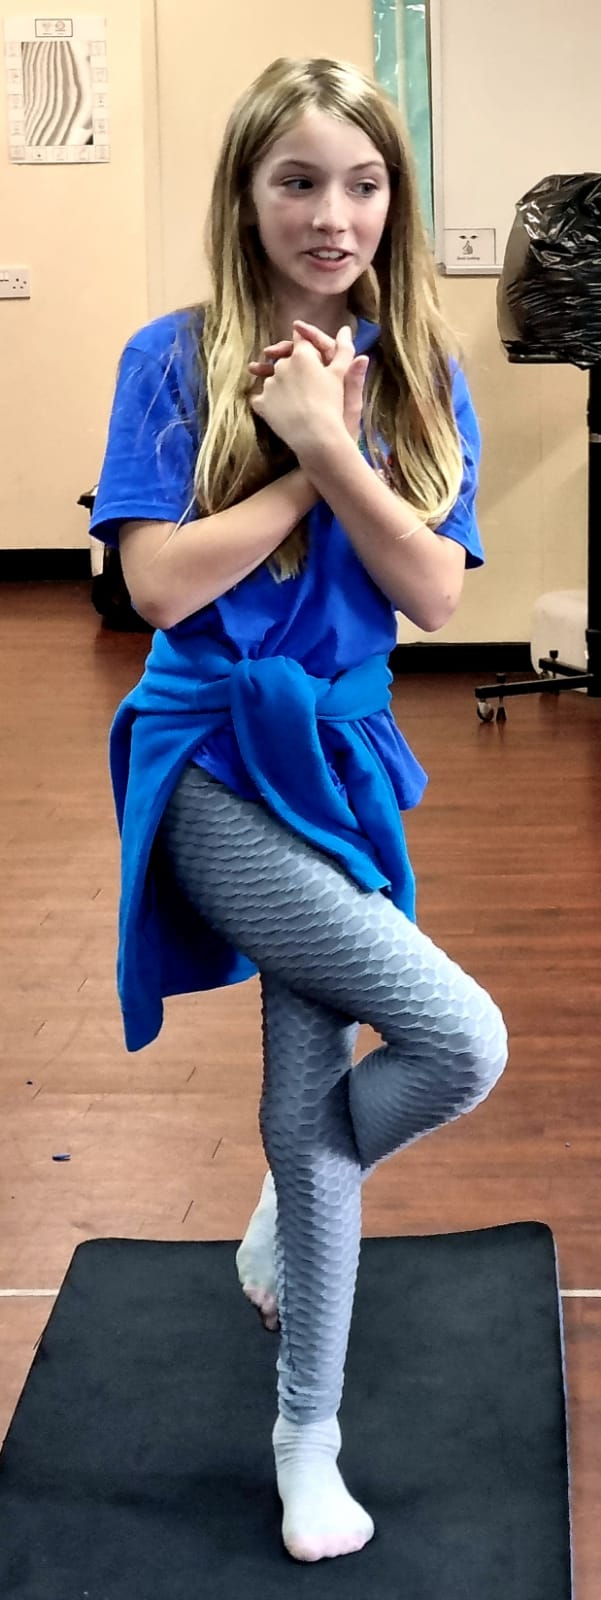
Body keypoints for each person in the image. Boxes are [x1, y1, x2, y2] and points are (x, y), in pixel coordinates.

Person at [90, 55, 508, 1566]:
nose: (332, 215)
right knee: (462, 1035)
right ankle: (303, 1428)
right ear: (245, 193)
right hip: (207, 759)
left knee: (314, 1111)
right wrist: (301, 462)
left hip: (337, 758)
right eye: (296, 180)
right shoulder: (169, 355)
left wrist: (343, 441)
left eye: (363, 182)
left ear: (394, 201)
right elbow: (153, 587)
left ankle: (296, 1365)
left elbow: (428, 592)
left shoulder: (419, 374)